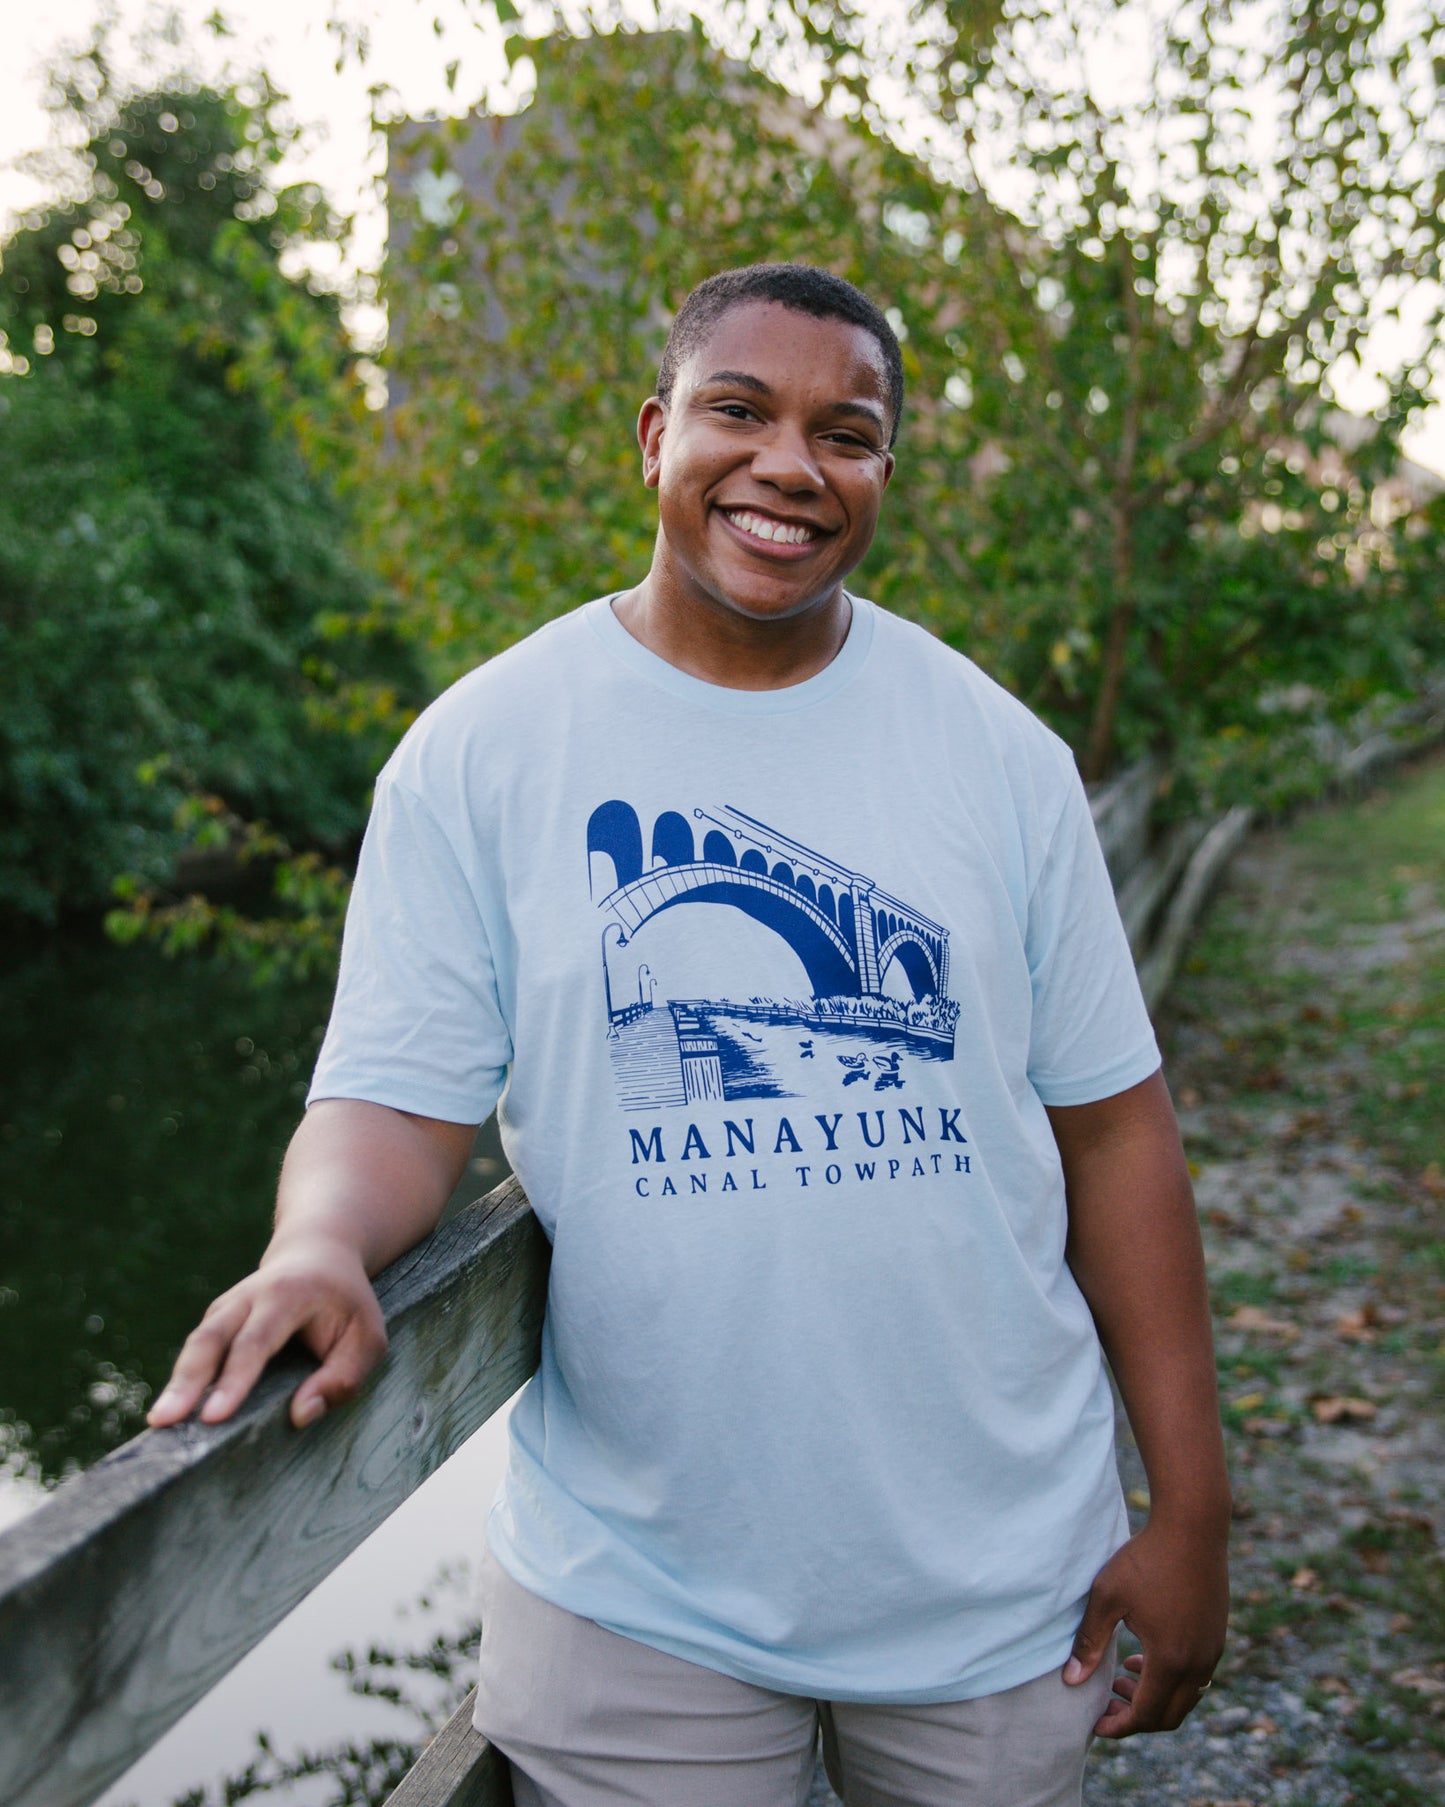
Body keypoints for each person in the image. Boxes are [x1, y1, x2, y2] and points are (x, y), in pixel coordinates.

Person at [148, 262, 1230, 1807]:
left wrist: (1191, 1507)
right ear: (654, 438)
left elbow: (1115, 1129)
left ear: (880, 476)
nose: (789, 464)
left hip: (996, 1575)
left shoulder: (996, 753)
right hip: (638, 1594)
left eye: (844, 433)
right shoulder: (483, 752)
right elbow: (392, 1097)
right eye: (739, 411)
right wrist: (318, 1243)